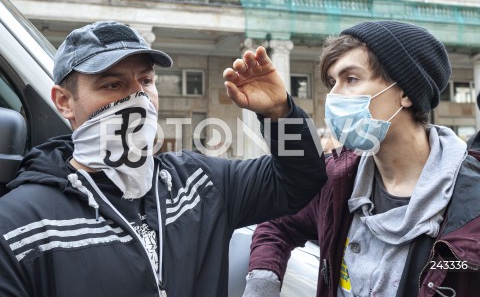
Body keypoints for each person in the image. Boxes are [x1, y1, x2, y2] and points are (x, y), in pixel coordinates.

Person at [0, 21, 327, 296]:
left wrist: (280, 114)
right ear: (64, 102)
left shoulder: (198, 183)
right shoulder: (19, 224)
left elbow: (299, 180)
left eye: (146, 81)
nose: (137, 98)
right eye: (113, 84)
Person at [243, 20, 480, 297]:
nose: (333, 96)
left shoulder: (471, 202)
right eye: (332, 82)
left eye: (351, 79)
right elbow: (278, 224)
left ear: (404, 90)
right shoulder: (338, 179)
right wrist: (262, 283)